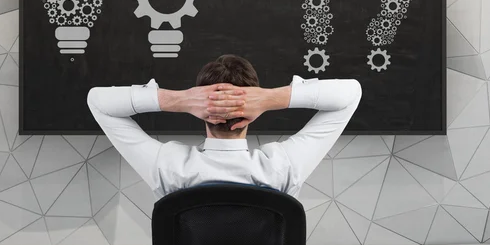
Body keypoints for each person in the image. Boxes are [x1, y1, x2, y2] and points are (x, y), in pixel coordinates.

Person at [87, 54, 361, 199]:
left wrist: (180, 100)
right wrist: (270, 98)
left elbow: (98, 102)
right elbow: (351, 94)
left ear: (200, 110)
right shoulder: (282, 167)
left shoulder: (168, 166)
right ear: (252, 113)